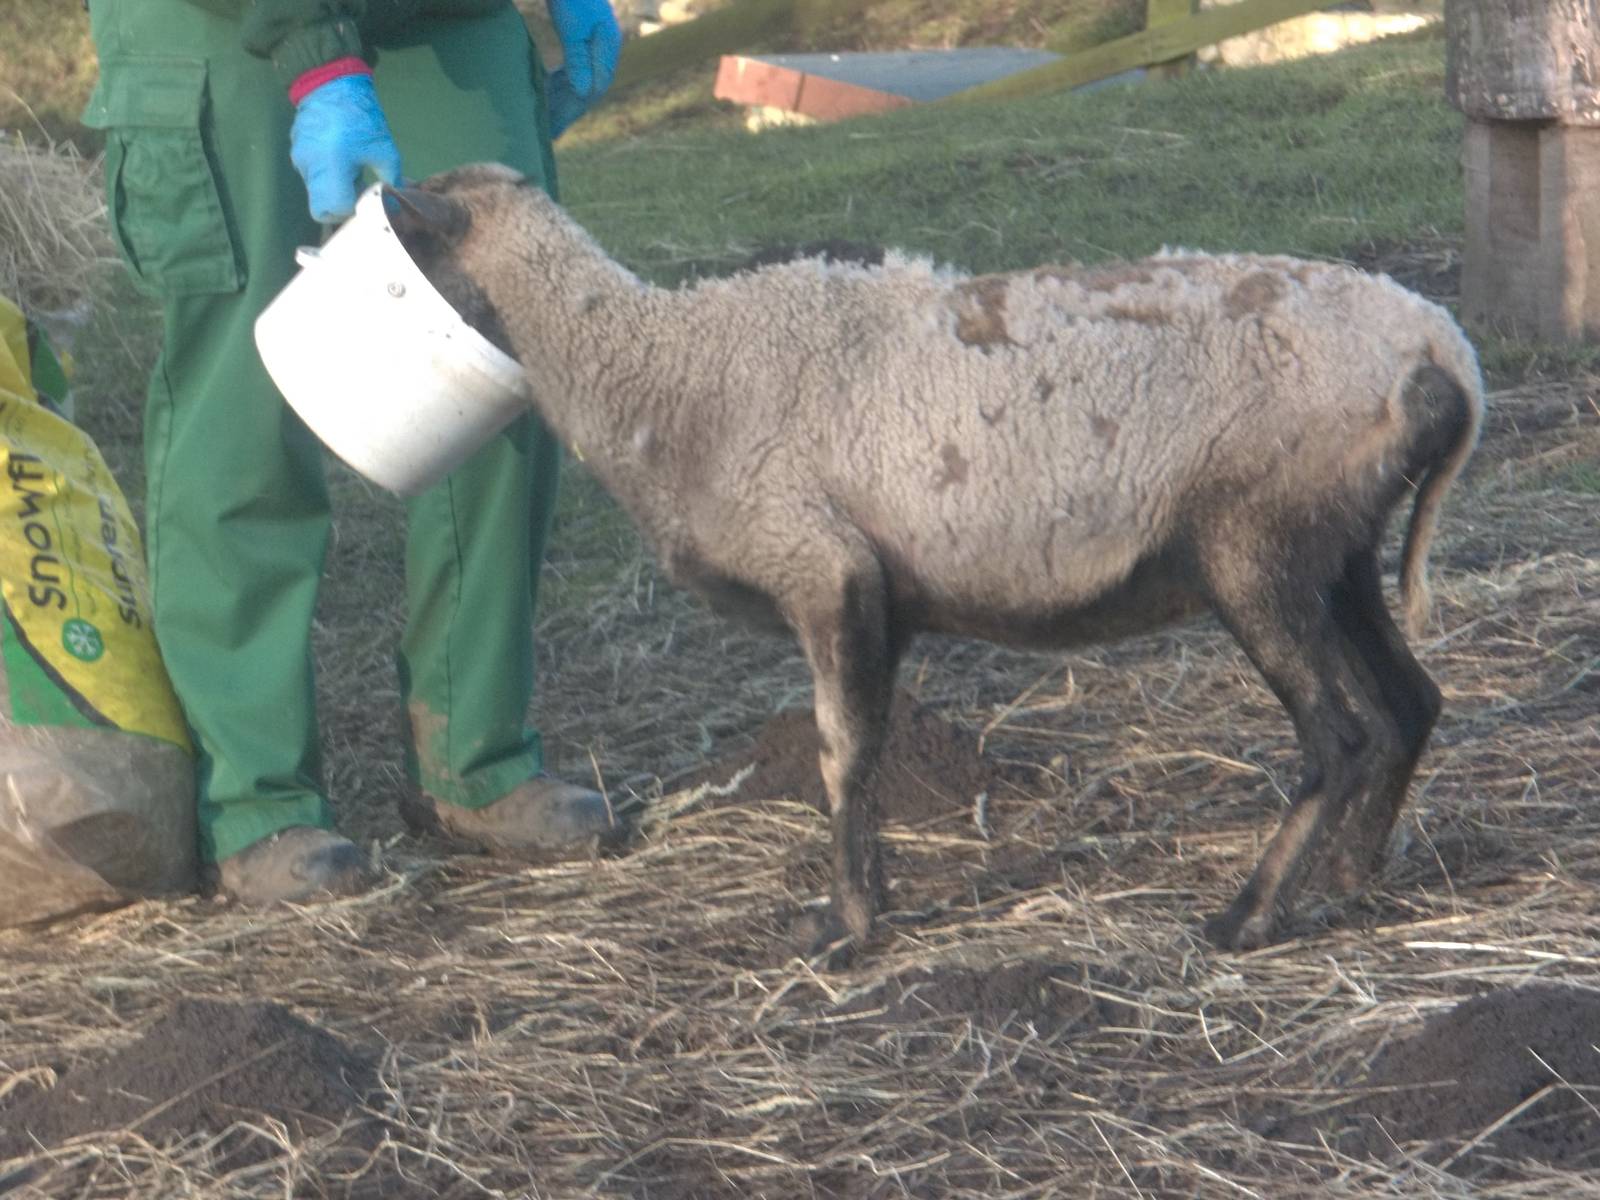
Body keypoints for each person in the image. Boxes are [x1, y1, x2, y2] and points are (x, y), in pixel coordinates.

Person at [81, 0, 625, 903]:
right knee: (249, 389)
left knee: (502, 338)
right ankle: (255, 797)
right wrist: (318, 61)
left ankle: (474, 753)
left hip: (438, 17)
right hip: (222, 23)